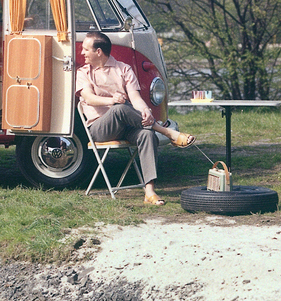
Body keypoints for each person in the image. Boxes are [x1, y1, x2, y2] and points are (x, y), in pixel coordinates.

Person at [76, 31, 195, 205]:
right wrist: (112, 100)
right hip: (100, 129)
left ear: (99, 51)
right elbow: (89, 98)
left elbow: (136, 98)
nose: (82, 53)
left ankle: (149, 192)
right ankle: (166, 131)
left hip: (126, 127)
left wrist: (145, 111)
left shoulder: (124, 69)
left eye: (86, 49)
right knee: (119, 109)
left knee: (147, 135)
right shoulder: (84, 72)